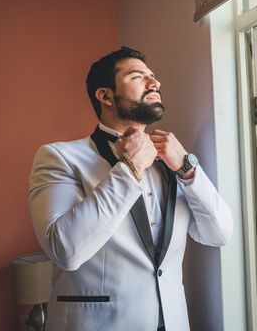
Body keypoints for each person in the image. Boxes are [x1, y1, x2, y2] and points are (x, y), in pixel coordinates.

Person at [28, 47, 233, 331]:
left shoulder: (172, 160)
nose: (154, 83)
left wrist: (187, 168)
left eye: (154, 77)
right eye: (138, 77)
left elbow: (219, 234)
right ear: (105, 96)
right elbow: (65, 250)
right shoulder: (60, 158)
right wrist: (129, 170)